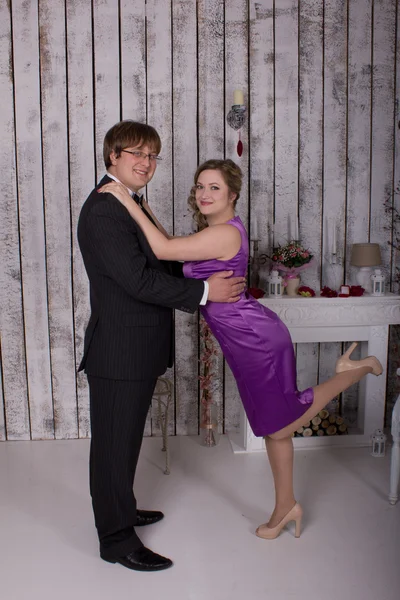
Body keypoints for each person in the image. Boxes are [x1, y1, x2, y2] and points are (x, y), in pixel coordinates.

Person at [99, 158, 383, 541]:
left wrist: (126, 198)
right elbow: (177, 250)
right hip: (246, 337)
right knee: (273, 430)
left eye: (214, 187)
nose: (204, 193)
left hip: (256, 339)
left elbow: (165, 250)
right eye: (200, 186)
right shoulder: (213, 231)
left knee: (280, 421)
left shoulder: (226, 235)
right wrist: (145, 206)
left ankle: (354, 371)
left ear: (233, 193)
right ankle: (287, 507)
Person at [77, 122, 246, 572]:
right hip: (118, 349)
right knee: (113, 446)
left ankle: (123, 508)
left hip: (136, 346)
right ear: (112, 155)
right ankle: (115, 540)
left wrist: (201, 279)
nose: (146, 163)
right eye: (136, 153)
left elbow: (162, 259)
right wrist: (205, 293)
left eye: (153, 156)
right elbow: (138, 280)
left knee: (126, 439)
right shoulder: (104, 209)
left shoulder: (129, 202)